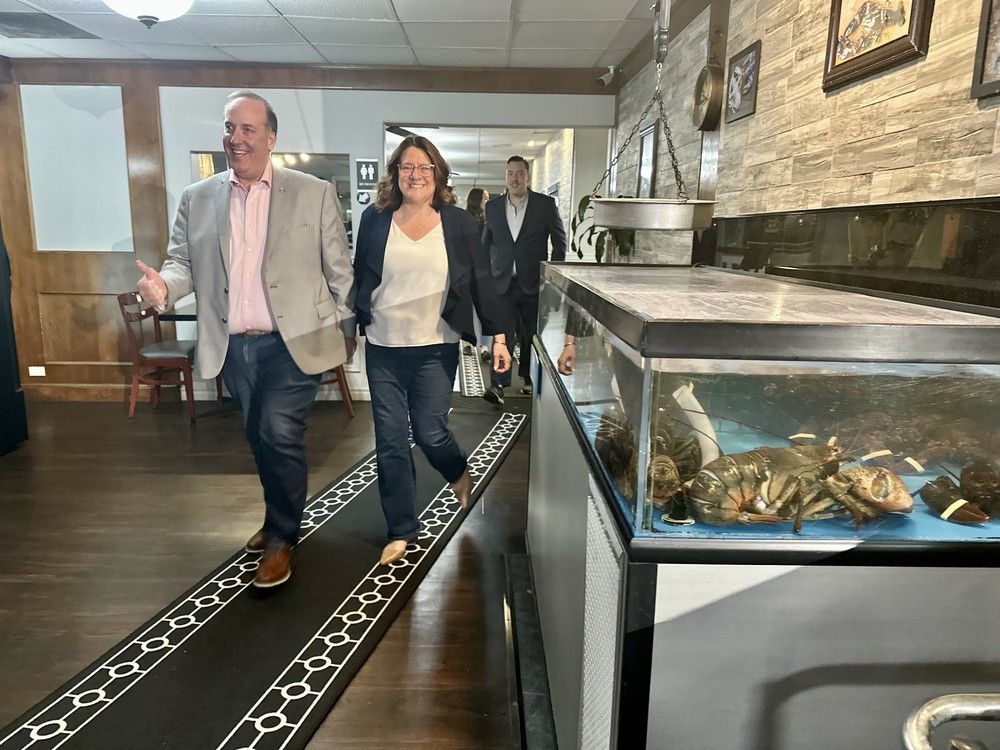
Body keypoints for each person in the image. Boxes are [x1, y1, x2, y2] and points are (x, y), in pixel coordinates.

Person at [135, 91, 355, 589]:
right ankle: (277, 513)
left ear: (271, 138)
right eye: (230, 128)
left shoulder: (314, 192)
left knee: (279, 430)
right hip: (233, 345)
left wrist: (345, 329)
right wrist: (163, 287)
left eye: (248, 129)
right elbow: (182, 264)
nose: (236, 138)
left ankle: (282, 538)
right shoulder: (198, 198)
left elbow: (338, 271)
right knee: (258, 434)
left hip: (293, 341)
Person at [353, 135, 511, 566]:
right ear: (395, 173)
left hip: (434, 348)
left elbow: (482, 280)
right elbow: (360, 275)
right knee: (389, 441)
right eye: (407, 166)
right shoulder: (375, 219)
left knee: (429, 432)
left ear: (437, 174)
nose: (416, 175)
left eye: (424, 167)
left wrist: (498, 338)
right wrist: (350, 325)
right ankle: (401, 529)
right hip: (383, 346)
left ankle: (457, 470)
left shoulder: (458, 223)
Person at [482, 156, 566, 404]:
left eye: (519, 173)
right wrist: (485, 274)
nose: (515, 178)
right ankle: (498, 384)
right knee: (502, 333)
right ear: (505, 177)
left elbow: (559, 243)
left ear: (527, 176)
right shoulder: (493, 207)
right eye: (510, 173)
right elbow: (486, 243)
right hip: (502, 282)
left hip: (534, 282)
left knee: (531, 333)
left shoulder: (545, 205)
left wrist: (550, 275)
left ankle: (528, 377)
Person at [464, 187, 491, 361]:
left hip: (484, 270)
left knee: (484, 307)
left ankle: (485, 345)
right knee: (468, 306)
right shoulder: (465, 220)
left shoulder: (490, 220)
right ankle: (468, 342)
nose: (488, 202)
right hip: (468, 268)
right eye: (485, 198)